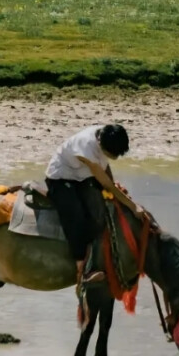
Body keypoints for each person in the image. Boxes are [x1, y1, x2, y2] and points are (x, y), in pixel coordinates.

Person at [45, 122, 131, 284]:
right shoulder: (85, 147)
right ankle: (82, 269)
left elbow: (104, 166)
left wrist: (112, 184)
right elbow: (106, 183)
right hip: (60, 177)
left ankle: (99, 256)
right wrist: (133, 206)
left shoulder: (104, 134)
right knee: (76, 217)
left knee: (99, 211)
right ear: (102, 145)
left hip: (81, 175)